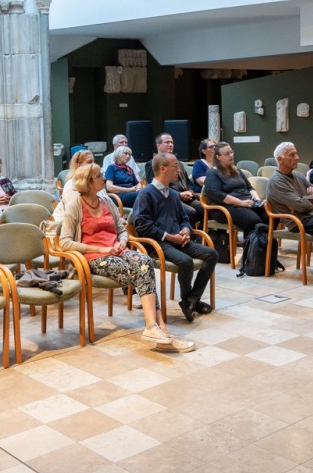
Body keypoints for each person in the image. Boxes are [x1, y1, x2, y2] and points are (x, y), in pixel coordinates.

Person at [60, 164, 194, 353]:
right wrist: (101, 248)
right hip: (93, 257)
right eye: (99, 176)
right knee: (140, 274)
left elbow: (122, 229)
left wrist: (122, 241)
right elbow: (64, 243)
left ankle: (155, 329)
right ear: (88, 182)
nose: (104, 178)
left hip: (117, 250)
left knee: (145, 262)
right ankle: (160, 329)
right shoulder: (75, 205)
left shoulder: (106, 201)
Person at [133, 153, 218, 323]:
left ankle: (191, 300)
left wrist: (186, 230)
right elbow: (142, 225)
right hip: (158, 243)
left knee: (212, 254)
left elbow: (184, 218)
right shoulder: (146, 194)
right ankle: (189, 301)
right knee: (185, 262)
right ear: (163, 169)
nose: (179, 170)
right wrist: (171, 237)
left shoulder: (172, 194)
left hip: (178, 240)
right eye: (175, 166)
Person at [266, 142, 313, 240]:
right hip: (297, 222)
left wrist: (302, 199)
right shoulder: (276, 181)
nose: (297, 157)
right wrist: (307, 200)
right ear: (279, 159)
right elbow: (301, 206)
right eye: (292, 155)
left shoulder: (298, 175)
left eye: (296, 153)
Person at [203, 142, 267, 234]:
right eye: (227, 154)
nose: (231, 155)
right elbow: (218, 194)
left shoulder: (236, 170)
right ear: (218, 157)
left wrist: (257, 200)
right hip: (225, 207)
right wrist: (241, 203)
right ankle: (252, 243)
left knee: (269, 218)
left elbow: (250, 187)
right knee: (253, 221)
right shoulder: (212, 173)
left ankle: (266, 243)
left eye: (231, 152)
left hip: (247, 202)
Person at [144, 133, 203, 228]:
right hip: (168, 199)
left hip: (187, 197)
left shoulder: (179, 163)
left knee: (204, 209)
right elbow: (155, 186)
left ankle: (202, 234)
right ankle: (188, 235)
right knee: (190, 212)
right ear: (158, 146)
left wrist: (190, 192)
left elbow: (188, 182)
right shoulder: (153, 164)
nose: (170, 145)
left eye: (171, 142)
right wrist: (179, 195)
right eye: (167, 142)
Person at [54, 150, 99, 221]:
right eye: (89, 162)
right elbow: (74, 213)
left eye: (94, 162)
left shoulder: (96, 182)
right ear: (78, 165)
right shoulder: (71, 185)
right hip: (69, 222)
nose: (94, 165)